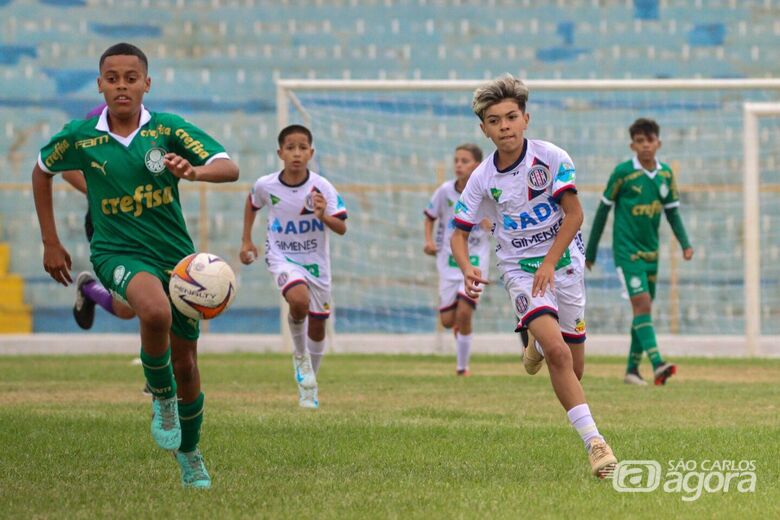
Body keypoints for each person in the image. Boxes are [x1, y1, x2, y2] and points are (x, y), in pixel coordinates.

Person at [32, 42, 239, 489]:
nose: (122, 86)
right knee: (153, 310)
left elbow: (229, 166)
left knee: (186, 365)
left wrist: (195, 172)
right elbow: (41, 168)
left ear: (147, 83)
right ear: (100, 84)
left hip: (175, 257)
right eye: (112, 78)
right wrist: (51, 240)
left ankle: (190, 454)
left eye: (131, 78)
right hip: (116, 252)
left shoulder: (167, 129)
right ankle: (161, 399)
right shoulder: (81, 135)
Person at [450, 74, 617, 477]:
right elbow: (459, 233)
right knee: (559, 354)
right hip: (520, 270)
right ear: (484, 129)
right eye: (494, 120)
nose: (504, 126)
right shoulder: (481, 178)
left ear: (526, 119)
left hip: (564, 265)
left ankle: (535, 348)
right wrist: (467, 266)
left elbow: (574, 215)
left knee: (573, 368)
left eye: (511, 117)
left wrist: (550, 262)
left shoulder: (553, 157)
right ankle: (597, 445)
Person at [240, 124, 347, 409]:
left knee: (319, 327)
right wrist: (246, 241)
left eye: (302, 148)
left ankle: (308, 385)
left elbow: (341, 228)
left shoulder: (323, 187)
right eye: (290, 148)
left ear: (311, 152)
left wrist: (324, 215)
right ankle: (299, 357)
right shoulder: (266, 185)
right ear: (280, 153)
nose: (296, 153)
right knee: (297, 300)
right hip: (282, 256)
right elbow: (252, 204)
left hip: (316, 263)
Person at [585, 118, 693, 386]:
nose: (645, 146)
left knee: (642, 311)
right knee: (642, 303)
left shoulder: (666, 174)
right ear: (632, 145)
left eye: (650, 141)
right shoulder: (623, 173)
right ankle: (658, 363)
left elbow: (673, 214)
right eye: (640, 141)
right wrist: (591, 250)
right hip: (627, 252)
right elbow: (602, 211)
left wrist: (685, 243)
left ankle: (632, 371)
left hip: (651, 253)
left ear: (659, 143)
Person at [61, 105, 138, 330]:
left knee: (138, 305)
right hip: (106, 224)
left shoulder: (146, 120)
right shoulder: (96, 120)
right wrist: (101, 192)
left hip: (144, 222)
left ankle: (163, 360)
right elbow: (68, 171)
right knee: (129, 308)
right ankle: (88, 288)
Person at [423, 144, 491, 376]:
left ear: (477, 165)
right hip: (448, 262)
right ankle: (459, 330)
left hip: (475, 262)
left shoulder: (486, 192)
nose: (459, 165)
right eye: (456, 160)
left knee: (464, 312)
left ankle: (462, 367)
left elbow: (499, 220)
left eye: (465, 160)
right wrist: (429, 241)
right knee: (447, 320)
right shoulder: (444, 191)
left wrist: (490, 224)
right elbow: (430, 216)